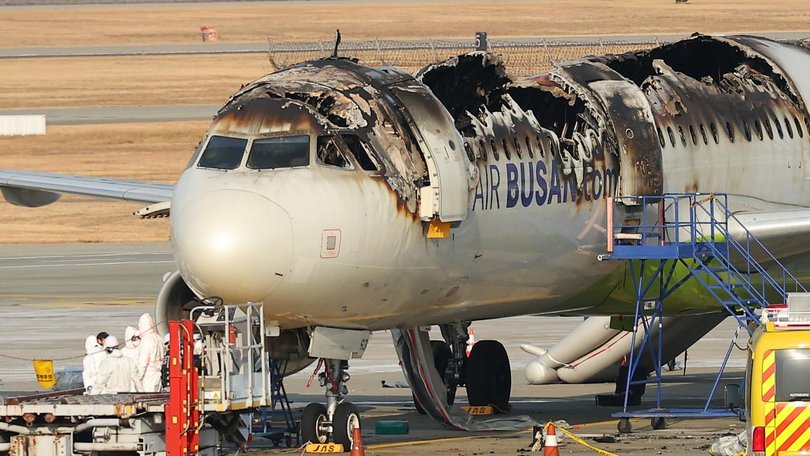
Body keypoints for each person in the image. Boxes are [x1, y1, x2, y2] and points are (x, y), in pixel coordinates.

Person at [136, 313, 165, 392]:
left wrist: (138, 378)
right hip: (159, 375)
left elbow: (143, 362)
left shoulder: (146, 340)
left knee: (148, 400)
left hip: (149, 376)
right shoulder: (159, 338)